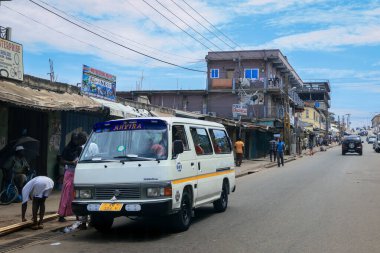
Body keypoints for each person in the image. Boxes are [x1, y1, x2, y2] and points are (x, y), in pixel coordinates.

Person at [58, 133, 86, 222]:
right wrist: (71, 163)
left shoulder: (80, 149)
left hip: (78, 173)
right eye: (74, 139)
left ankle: (78, 215)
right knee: (66, 194)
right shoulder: (67, 149)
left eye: (77, 140)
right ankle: (62, 215)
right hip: (69, 172)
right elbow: (61, 161)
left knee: (76, 195)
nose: (76, 141)